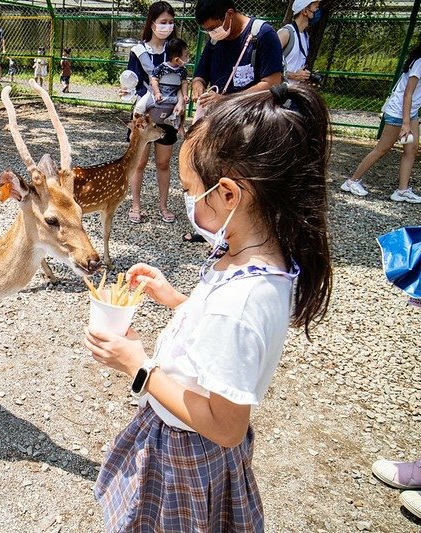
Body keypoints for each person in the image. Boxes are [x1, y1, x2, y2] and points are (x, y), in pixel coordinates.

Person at [84, 83, 333, 531]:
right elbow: (213, 330)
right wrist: (176, 299)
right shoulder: (251, 253)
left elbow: (225, 425)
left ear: (229, 195)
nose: (187, 203)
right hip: (184, 432)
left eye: (188, 191)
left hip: (188, 449)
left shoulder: (239, 306)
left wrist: (138, 367)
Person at [184, 0, 283, 242]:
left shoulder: (263, 35)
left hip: (251, 123)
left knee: (244, 179)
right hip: (220, 122)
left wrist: (227, 99)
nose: (212, 33)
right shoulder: (215, 41)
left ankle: (246, 234)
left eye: (215, 26)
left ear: (230, 14)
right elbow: (200, 74)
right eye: (207, 30)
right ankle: (213, 228)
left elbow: (272, 82)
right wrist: (198, 87)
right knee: (214, 174)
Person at [341, 35, 421, 203]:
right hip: (399, 113)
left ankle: (402, 190)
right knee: (383, 148)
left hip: (410, 113)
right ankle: (351, 181)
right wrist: (405, 124)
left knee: (411, 149)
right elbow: (408, 94)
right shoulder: (420, 62)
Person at [120, 1, 179, 225]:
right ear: (152, 24)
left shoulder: (175, 51)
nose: (167, 26)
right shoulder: (139, 52)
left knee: (163, 163)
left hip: (167, 114)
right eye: (163, 22)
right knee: (139, 162)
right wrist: (126, 91)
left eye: (171, 22)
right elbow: (132, 81)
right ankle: (136, 205)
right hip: (143, 116)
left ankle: (163, 206)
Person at [148, 37, 190, 132]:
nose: (187, 59)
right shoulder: (162, 67)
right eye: (186, 56)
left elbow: (184, 83)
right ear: (176, 59)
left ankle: (174, 120)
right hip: (161, 92)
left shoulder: (182, 70)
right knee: (143, 103)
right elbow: (154, 80)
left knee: (180, 106)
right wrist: (157, 92)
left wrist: (185, 95)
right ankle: (137, 115)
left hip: (174, 94)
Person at [278, 0, 322, 85]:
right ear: (305, 11)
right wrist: (291, 75)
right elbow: (266, 64)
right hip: (279, 92)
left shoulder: (305, 36)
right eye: (316, 7)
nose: (318, 11)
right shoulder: (285, 33)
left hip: (294, 91)